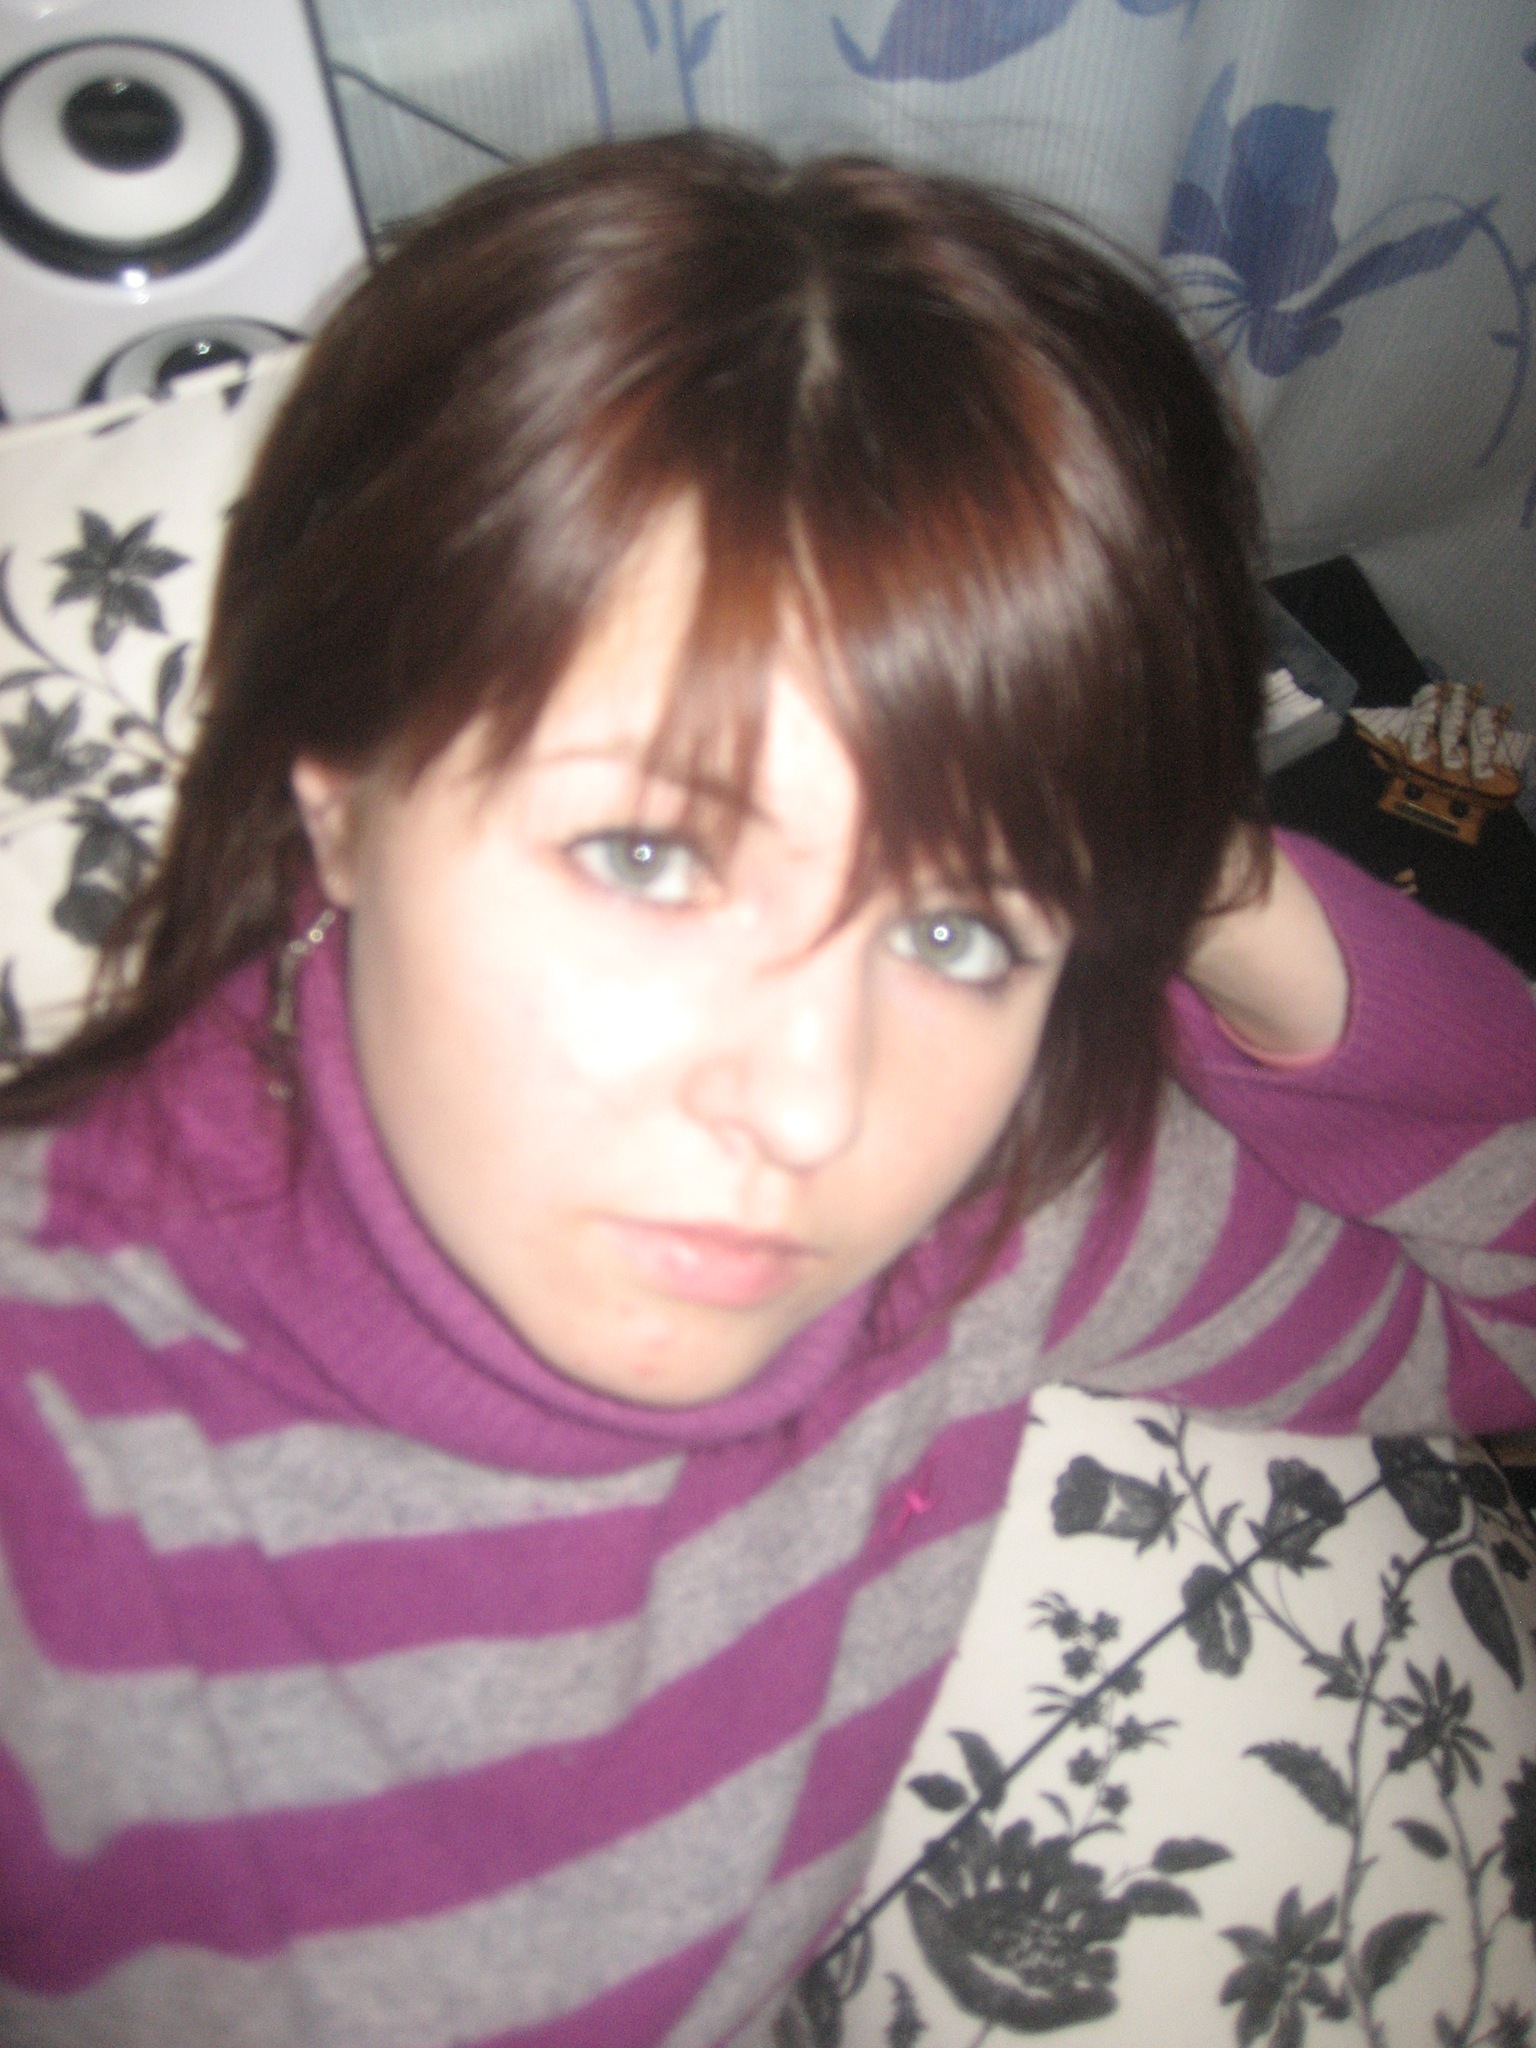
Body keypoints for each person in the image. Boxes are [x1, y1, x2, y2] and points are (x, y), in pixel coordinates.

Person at [0, 132, 1530, 2048]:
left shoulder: (996, 1204)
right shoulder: (58, 1454)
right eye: (648, 856)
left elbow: (1505, 1321)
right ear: (344, 797)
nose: (812, 1113)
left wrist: (1206, 881)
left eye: (959, 926)